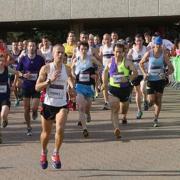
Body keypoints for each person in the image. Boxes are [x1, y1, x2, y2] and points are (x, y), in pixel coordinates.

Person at [36, 44, 75, 169]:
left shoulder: (67, 69)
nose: (60, 55)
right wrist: (49, 81)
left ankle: (56, 153)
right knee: (46, 134)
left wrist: (71, 88)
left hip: (62, 104)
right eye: (58, 52)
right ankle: (43, 152)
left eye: (62, 53)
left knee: (60, 129)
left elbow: (69, 78)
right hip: (48, 104)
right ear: (53, 54)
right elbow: (37, 87)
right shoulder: (46, 68)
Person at [103, 44, 137, 138]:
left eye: (120, 52)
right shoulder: (110, 61)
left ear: (123, 52)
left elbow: (135, 72)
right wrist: (104, 83)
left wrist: (128, 77)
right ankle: (116, 128)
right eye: (116, 51)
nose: (118, 54)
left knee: (123, 110)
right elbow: (105, 71)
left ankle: (124, 116)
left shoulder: (127, 62)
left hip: (125, 90)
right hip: (113, 89)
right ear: (113, 52)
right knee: (114, 108)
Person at [140, 36, 174, 127]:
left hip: (160, 80)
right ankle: (147, 103)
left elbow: (171, 68)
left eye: (159, 44)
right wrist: (144, 73)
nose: (158, 46)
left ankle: (155, 119)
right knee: (152, 100)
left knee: (158, 100)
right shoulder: (149, 53)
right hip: (151, 79)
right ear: (154, 44)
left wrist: (166, 74)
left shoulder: (164, 54)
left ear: (161, 45)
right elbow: (141, 63)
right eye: (157, 44)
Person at [71, 42, 102, 137]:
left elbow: (100, 65)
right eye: (81, 49)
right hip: (79, 86)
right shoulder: (76, 59)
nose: (83, 51)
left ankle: (88, 114)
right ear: (78, 50)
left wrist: (96, 73)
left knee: (87, 107)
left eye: (85, 49)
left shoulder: (91, 58)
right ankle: (84, 129)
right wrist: (75, 76)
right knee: (80, 107)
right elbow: (71, 69)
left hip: (89, 87)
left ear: (87, 50)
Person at [16, 39, 45, 136]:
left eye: (33, 46)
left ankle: (35, 111)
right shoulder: (23, 59)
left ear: (36, 47)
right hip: (26, 86)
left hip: (36, 85)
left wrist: (43, 79)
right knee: (26, 108)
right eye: (30, 46)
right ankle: (28, 127)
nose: (32, 47)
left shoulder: (40, 59)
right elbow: (18, 71)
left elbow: (44, 70)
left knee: (35, 106)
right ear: (27, 47)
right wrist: (23, 75)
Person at [127, 34, 148, 119]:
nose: (139, 42)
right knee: (137, 92)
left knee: (143, 89)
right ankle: (139, 110)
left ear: (142, 41)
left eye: (140, 40)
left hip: (144, 73)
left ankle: (145, 100)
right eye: (137, 41)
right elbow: (127, 62)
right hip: (135, 73)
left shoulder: (146, 49)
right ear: (135, 42)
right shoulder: (132, 51)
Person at [0, 53, 19, 143]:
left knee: (3, 114)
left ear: (5, 62)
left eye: (2, 61)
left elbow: (17, 73)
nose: (1, 62)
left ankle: (5, 119)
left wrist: (13, 85)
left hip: (5, 97)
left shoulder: (7, 69)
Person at [99, 33, 114, 110]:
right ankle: (106, 102)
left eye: (108, 39)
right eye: (105, 39)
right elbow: (100, 58)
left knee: (112, 86)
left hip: (113, 69)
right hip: (104, 69)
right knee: (104, 85)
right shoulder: (101, 48)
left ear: (110, 39)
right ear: (103, 40)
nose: (107, 40)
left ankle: (113, 101)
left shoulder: (113, 47)